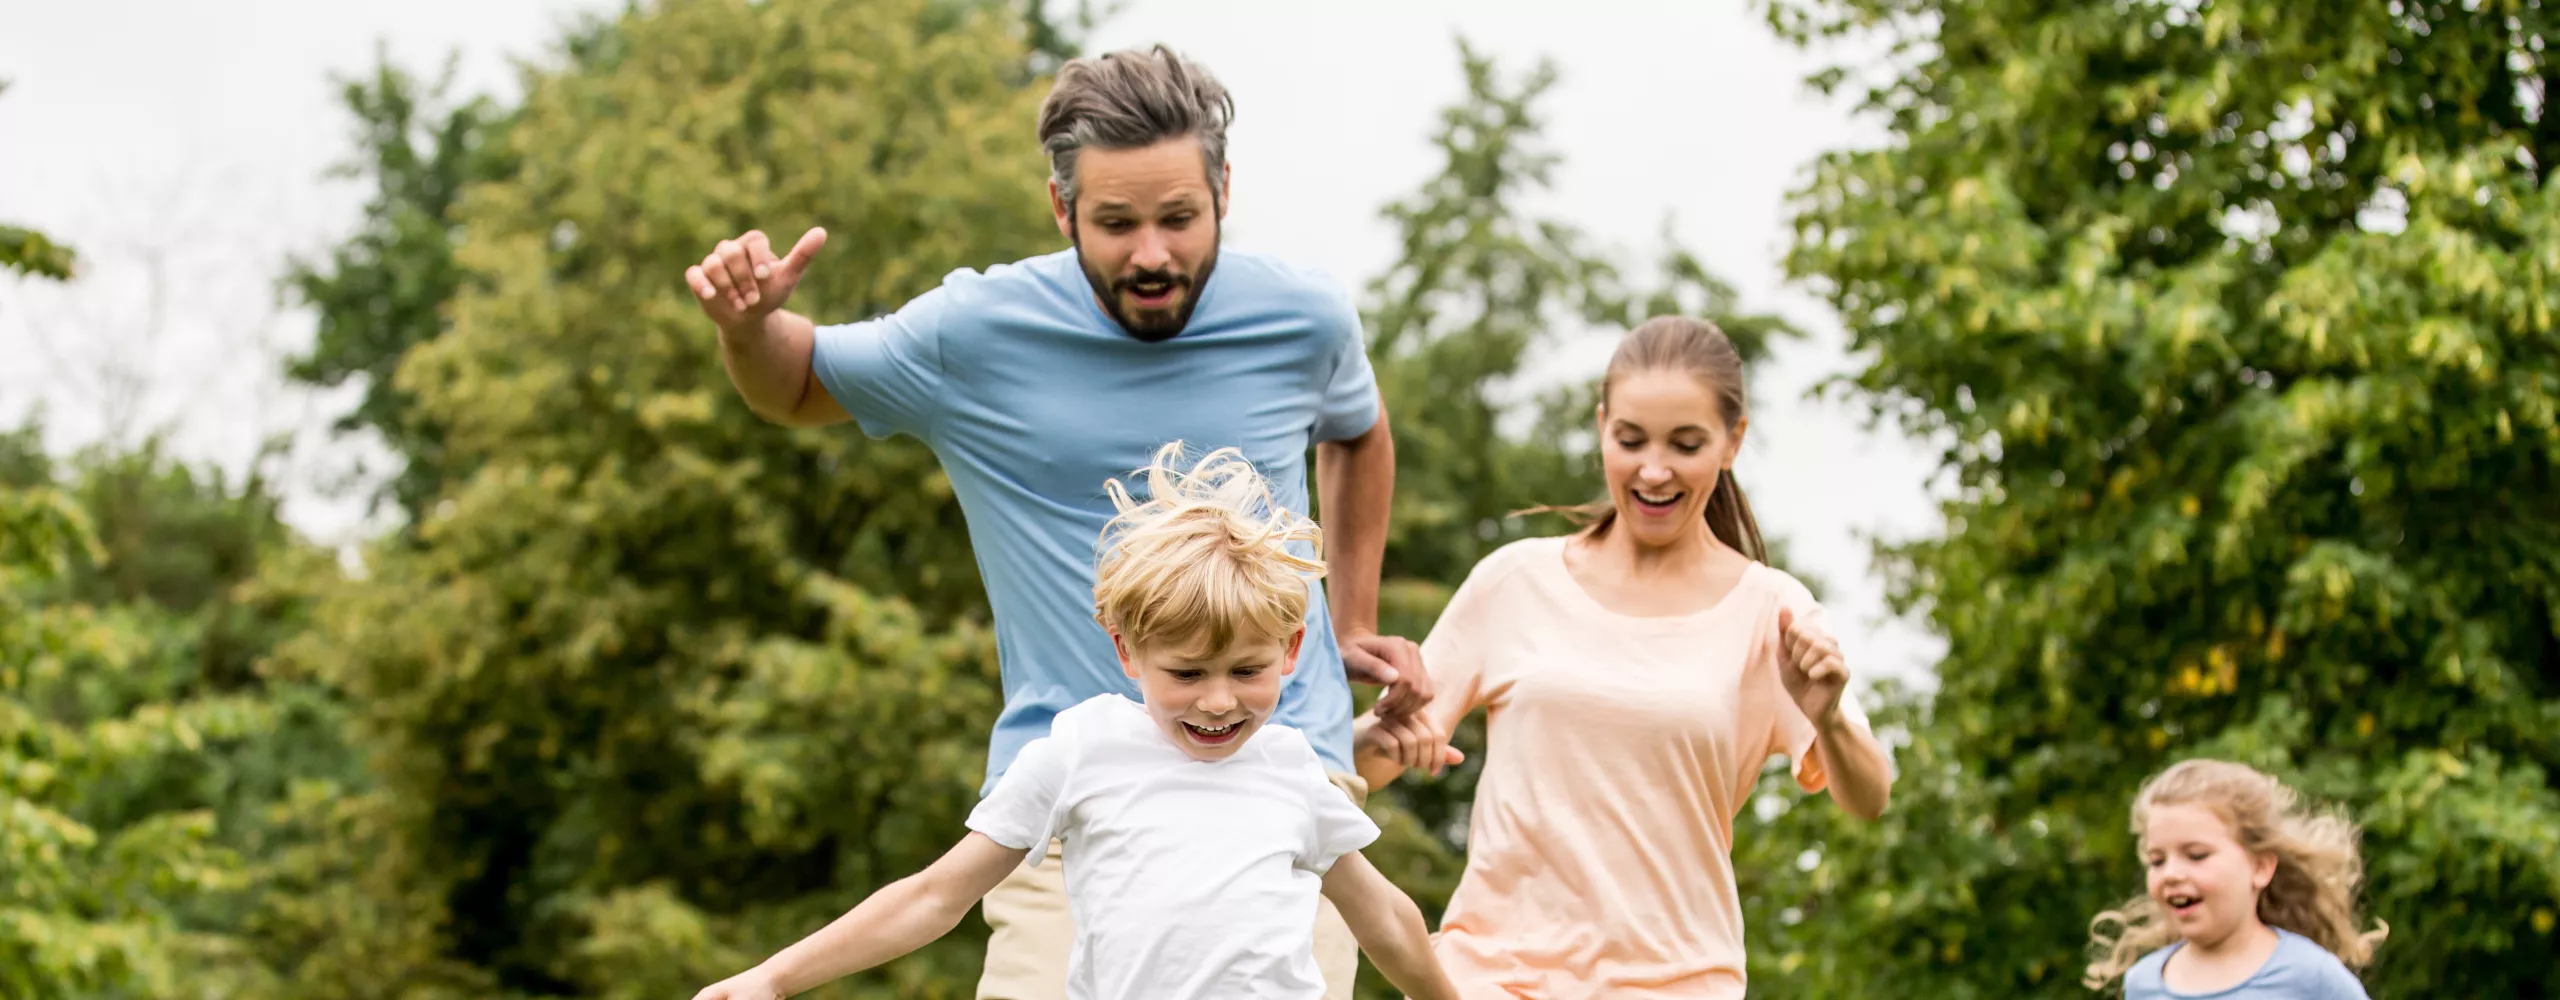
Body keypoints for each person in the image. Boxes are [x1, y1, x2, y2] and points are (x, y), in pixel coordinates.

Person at [680, 44, 1429, 1000]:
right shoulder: (974, 333)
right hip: (1064, 813)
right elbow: (797, 383)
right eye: (1116, 223)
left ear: (1224, 192)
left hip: (1279, 784)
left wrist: (1348, 621)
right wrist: (747, 328)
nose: (1151, 254)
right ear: (1062, 208)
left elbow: (1358, 432)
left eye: (1179, 219)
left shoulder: (1303, 318)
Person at [687, 443, 1459, 1000]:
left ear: (1292, 650)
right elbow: (934, 896)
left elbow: (1384, 918)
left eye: (1248, 672)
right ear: (1127, 651)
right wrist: (775, 977)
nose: (1220, 701)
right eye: (1186, 674)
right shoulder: (1084, 750)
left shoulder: (1292, 767)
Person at [1354, 315, 1896, 998]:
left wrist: (1832, 719)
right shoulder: (1515, 581)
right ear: (1602, 425)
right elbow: (1372, 762)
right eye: (1631, 439)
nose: (1655, 469)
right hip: (1492, 980)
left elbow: (1869, 795)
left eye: (1686, 444)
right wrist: (1371, 739)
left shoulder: (1771, 610)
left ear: (1733, 442)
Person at [2082, 758, 2388, 999]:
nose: (2171, 873)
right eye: (2157, 860)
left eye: (2197, 855)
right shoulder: (2143, 983)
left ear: (2261, 868)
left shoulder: (2311, 976)